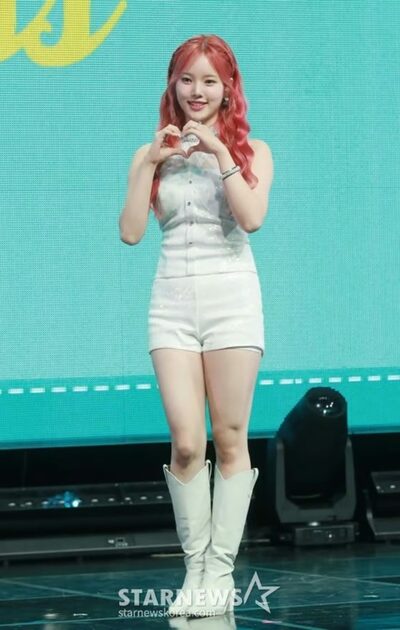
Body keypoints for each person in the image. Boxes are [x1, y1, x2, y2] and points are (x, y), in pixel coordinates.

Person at [119, 34, 274, 617]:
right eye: (187, 79)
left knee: (230, 436)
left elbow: (251, 218)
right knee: (187, 443)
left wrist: (218, 150)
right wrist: (152, 163)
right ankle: (194, 568)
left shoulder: (253, 151)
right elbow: (131, 232)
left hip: (232, 300)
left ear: (228, 88)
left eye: (210, 80)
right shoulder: (149, 153)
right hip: (172, 304)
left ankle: (220, 572)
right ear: (173, 85)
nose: (197, 91)